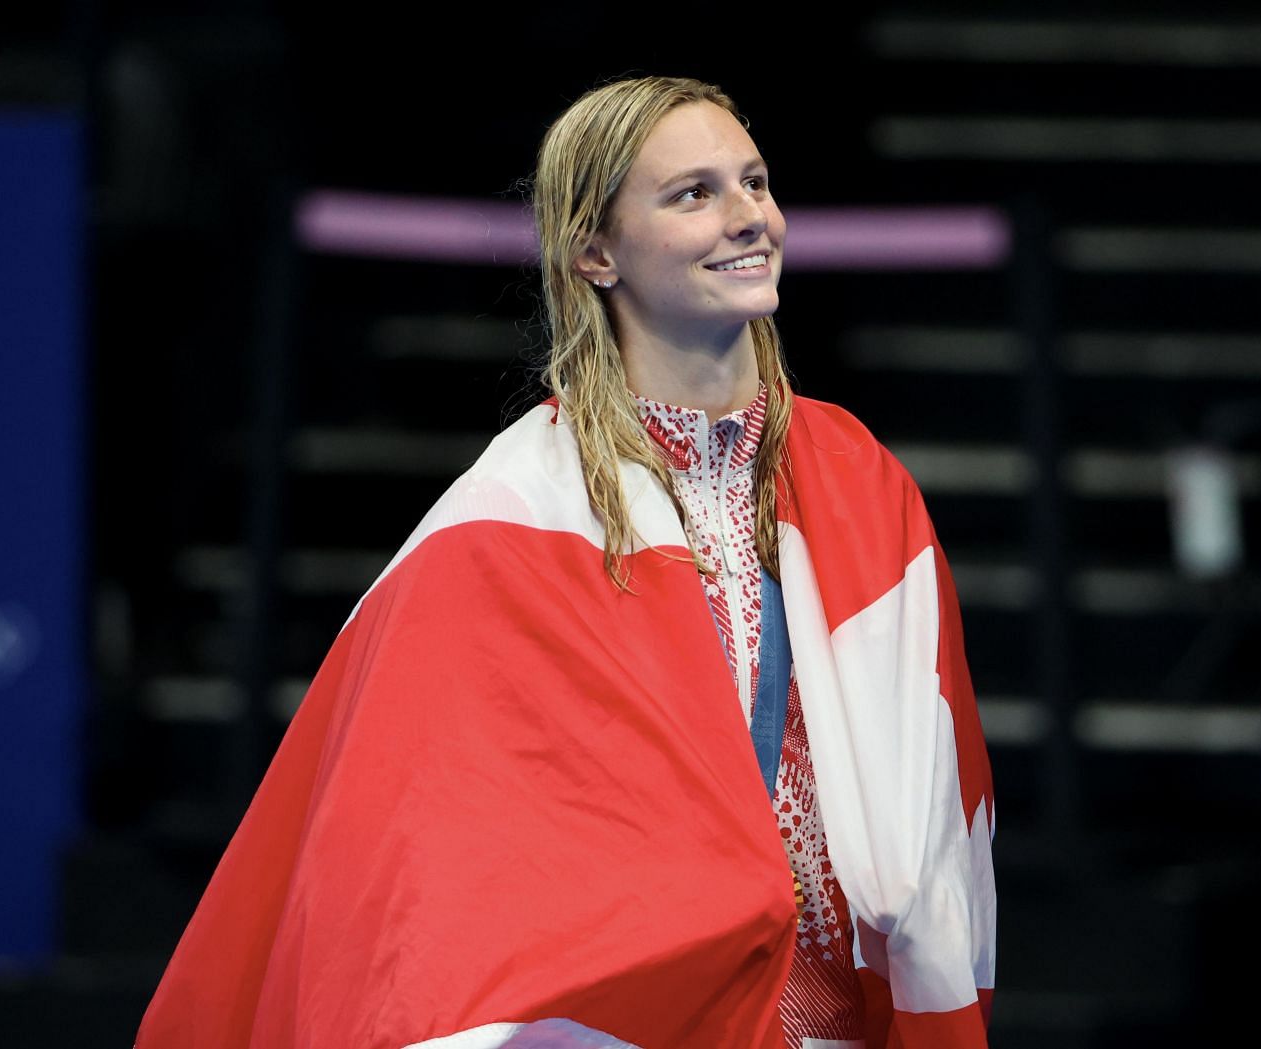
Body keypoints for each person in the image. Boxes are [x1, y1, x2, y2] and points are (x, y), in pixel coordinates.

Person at [136, 76, 995, 1049]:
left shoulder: (861, 479)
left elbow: (933, 812)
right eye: (693, 194)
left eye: (754, 182)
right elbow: (434, 833)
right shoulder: (515, 509)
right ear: (594, 251)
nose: (748, 216)